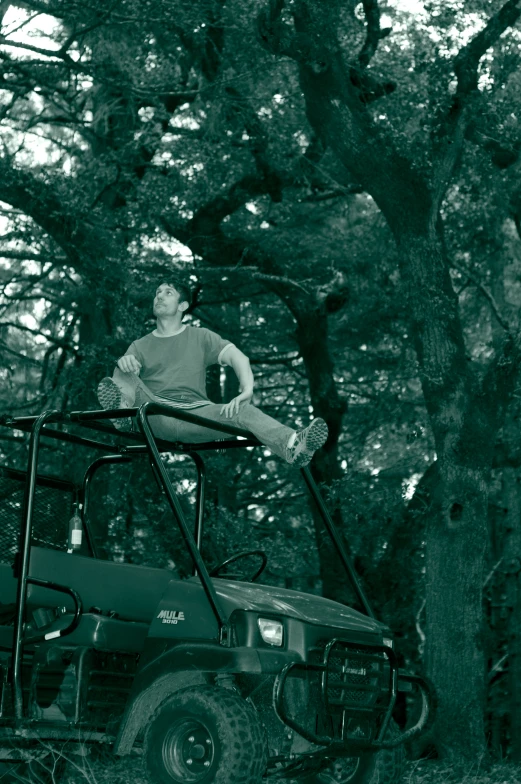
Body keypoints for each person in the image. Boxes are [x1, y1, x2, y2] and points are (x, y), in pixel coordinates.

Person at [96, 279, 328, 468]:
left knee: (243, 411)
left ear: (183, 305)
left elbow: (239, 358)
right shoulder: (140, 345)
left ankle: (291, 444)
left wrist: (246, 391)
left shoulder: (201, 337)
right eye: (157, 292)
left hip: (196, 415)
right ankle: (123, 415)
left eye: (168, 292)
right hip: (155, 412)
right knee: (122, 369)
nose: (159, 296)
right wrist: (127, 362)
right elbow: (122, 378)